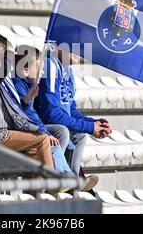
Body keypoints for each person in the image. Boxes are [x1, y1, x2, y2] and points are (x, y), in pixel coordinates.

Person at [35, 44, 112, 189]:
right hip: (40, 127)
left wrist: (94, 123)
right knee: (63, 130)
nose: (80, 51)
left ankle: (73, 181)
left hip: (55, 124)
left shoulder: (66, 70)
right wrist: (90, 127)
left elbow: (70, 109)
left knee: (81, 134)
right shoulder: (50, 66)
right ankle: (57, 184)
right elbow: (52, 115)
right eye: (74, 46)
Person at [0, 33, 53, 168]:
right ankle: (53, 183)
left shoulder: (2, 78)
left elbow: (11, 106)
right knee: (43, 140)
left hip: (2, 132)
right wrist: (11, 51)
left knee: (35, 148)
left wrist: (26, 99)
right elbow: (5, 66)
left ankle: (38, 185)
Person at [12, 45, 72, 175]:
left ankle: (67, 176)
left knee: (61, 131)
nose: (43, 72)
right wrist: (45, 132)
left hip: (30, 127)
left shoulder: (29, 85)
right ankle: (60, 178)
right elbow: (28, 115)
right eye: (39, 68)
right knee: (52, 145)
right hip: (21, 130)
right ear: (25, 70)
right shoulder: (19, 85)